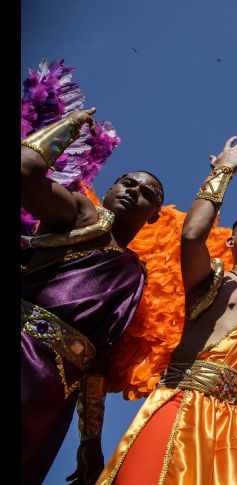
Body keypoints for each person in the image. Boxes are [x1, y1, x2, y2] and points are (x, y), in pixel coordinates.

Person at [98, 136, 237, 484]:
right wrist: (223, 172)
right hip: (184, 402)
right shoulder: (210, 277)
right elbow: (191, 237)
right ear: (230, 241)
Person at [21, 108, 164, 485]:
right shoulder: (83, 214)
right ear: (110, 189)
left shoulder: (136, 274)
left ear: (154, 216)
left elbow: (96, 362)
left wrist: (90, 439)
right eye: (128, 184)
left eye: (148, 193)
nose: (135, 192)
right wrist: (70, 126)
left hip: (55, 391)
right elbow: (24, 172)